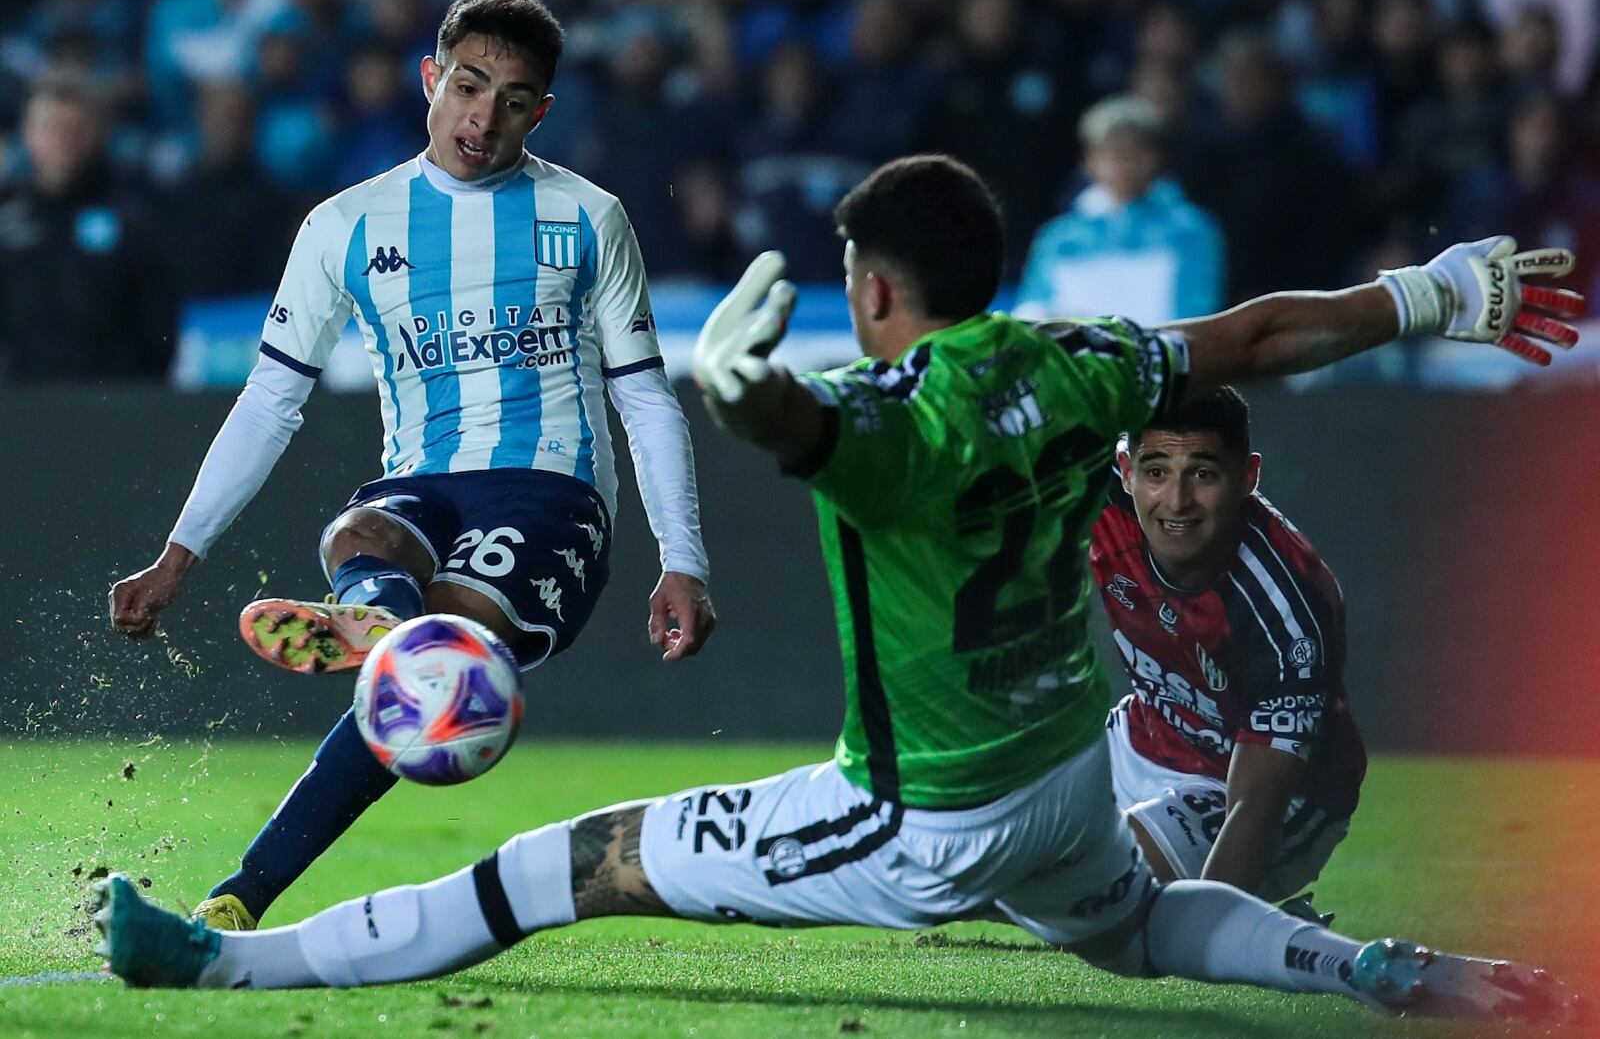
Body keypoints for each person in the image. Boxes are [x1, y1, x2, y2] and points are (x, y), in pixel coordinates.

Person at [95, 155, 1583, 1024]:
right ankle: (1399, 970)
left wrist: (743, 387)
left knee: (558, 865)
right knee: (1137, 920)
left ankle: (225, 956)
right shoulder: (1081, 362)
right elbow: (1251, 339)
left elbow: (812, 429)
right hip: (1070, 770)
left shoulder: (883, 420)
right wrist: (1433, 295)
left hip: (917, 809)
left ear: (871, 287)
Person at [106, 0, 716, 932]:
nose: (485, 115)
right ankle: (388, 640)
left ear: (540, 113)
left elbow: (641, 393)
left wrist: (684, 559)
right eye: (469, 85)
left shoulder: (589, 217)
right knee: (366, 537)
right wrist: (178, 554)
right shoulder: (346, 225)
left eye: (515, 99)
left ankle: (261, 862)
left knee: (441, 650)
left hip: (552, 494)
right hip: (421, 484)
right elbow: (272, 398)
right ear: (431, 78)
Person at [1091, 388, 1363, 919]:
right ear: (1126, 471)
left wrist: (1210, 931)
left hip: (1275, 797)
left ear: (1247, 477)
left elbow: (1255, 804)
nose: (1176, 501)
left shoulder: (1286, 607)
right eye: (1156, 472)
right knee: (991, 841)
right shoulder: (1091, 493)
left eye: (1203, 474)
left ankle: (1265, 929)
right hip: (1145, 737)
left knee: (1096, 889)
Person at [0, 83, 175, 383]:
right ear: (28, 134)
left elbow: (158, 320)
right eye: (52, 128)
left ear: (93, 134)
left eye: (74, 128)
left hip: (109, 396)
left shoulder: (130, 215)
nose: (63, 140)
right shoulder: (6, 215)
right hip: (19, 398)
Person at [1014, 95, 1224, 326]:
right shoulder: (1059, 236)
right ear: (1089, 161)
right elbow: (1032, 310)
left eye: (1133, 152)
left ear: (1156, 157)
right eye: (1111, 153)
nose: (1122, 164)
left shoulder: (1190, 229)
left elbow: (1197, 312)